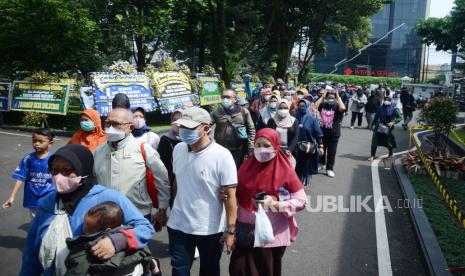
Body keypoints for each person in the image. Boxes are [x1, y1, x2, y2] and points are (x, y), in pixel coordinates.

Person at [20, 144, 154, 276]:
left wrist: (116, 242)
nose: (58, 176)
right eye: (54, 170)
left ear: (83, 171)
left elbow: (144, 227)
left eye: (67, 170)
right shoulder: (48, 203)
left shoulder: (108, 197)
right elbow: (32, 252)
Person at [167, 107, 238, 276]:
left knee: (209, 270)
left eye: (189, 128)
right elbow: (177, 181)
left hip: (209, 229)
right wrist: (171, 208)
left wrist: (230, 231)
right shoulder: (178, 149)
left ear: (206, 128)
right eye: (181, 126)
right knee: (179, 270)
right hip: (178, 225)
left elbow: (230, 197)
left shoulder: (222, 156)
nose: (183, 131)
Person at [230, 128, 307, 276]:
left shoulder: (285, 170)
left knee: (266, 271)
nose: (261, 149)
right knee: (237, 269)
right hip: (245, 232)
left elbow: (301, 201)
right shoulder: (246, 167)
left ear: (276, 146)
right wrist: (226, 195)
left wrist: (275, 204)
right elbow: (235, 194)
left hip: (270, 235)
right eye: (258, 145)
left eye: (266, 145)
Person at [93, 108, 170, 231]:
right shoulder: (98, 152)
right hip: (105, 214)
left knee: (135, 248)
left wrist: (162, 209)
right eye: (108, 123)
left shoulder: (143, 149)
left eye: (116, 124)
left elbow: (162, 179)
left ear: (131, 128)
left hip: (137, 214)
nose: (110, 128)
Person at [65, 201, 157, 276]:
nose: (84, 230)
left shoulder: (89, 248)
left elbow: (77, 270)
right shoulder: (130, 233)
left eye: (89, 229)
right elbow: (146, 254)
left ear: (107, 229)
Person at [3, 129, 56, 219]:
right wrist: (12, 197)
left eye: (41, 141)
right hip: (32, 198)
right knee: (35, 224)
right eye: (34, 141)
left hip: (50, 197)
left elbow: (60, 178)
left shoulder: (55, 159)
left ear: (50, 143)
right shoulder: (28, 159)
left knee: (49, 225)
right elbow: (20, 177)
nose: (36, 144)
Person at [211, 89, 256, 168]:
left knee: (236, 171)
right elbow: (206, 126)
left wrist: (250, 146)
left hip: (238, 150)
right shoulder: (216, 112)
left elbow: (251, 130)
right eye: (223, 97)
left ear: (235, 99)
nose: (225, 99)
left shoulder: (244, 112)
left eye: (228, 97)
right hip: (221, 149)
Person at [315, 88, 346, 178]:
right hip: (322, 132)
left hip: (334, 133)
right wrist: (323, 97)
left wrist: (338, 97)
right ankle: (321, 164)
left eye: (333, 98)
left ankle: (329, 168)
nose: (331, 99)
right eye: (329, 97)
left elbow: (343, 108)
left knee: (332, 152)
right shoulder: (323, 104)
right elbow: (314, 106)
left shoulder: (337, 106)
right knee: (321, 149)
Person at [157, 110, 182, 207]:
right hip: (172, 183)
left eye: (180, 119)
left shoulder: (190, 139)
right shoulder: (166, 139)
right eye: (175, 120)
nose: (177, 122)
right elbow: (162, 164)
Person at [266, 99, 299, 168]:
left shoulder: (294, 121)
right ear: (277, 108)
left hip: (288, 152)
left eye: (285, 108)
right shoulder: (272, 121)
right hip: (274, 151)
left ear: (288, 108)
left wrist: (289, 149)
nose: (283, 110)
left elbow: (296, 137)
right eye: (280, 108)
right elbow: (268, 136)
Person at [294, 110, 324, 186]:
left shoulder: (312, 119)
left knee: (305, 167)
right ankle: (294, 183)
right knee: (294, 166)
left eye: (304, 105)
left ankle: (301, 184)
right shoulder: (293, 117)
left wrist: (321, 146)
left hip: (307, 148)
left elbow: (318, 133)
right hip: (294, 147)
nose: (301, 107)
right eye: (300, 105)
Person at [368, 96, 402, 161]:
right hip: (379, 126)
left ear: (390, 101)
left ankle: (391, 152)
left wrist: (393, 122)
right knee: (374, 141)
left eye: (387, 100)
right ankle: (372, 155)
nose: (386, 101)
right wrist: (371, 125)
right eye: (385, 100)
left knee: (389, 141)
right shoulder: (380, 108)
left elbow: (399, 118)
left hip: (388, 127)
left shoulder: (394, 109)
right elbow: (376, 117)